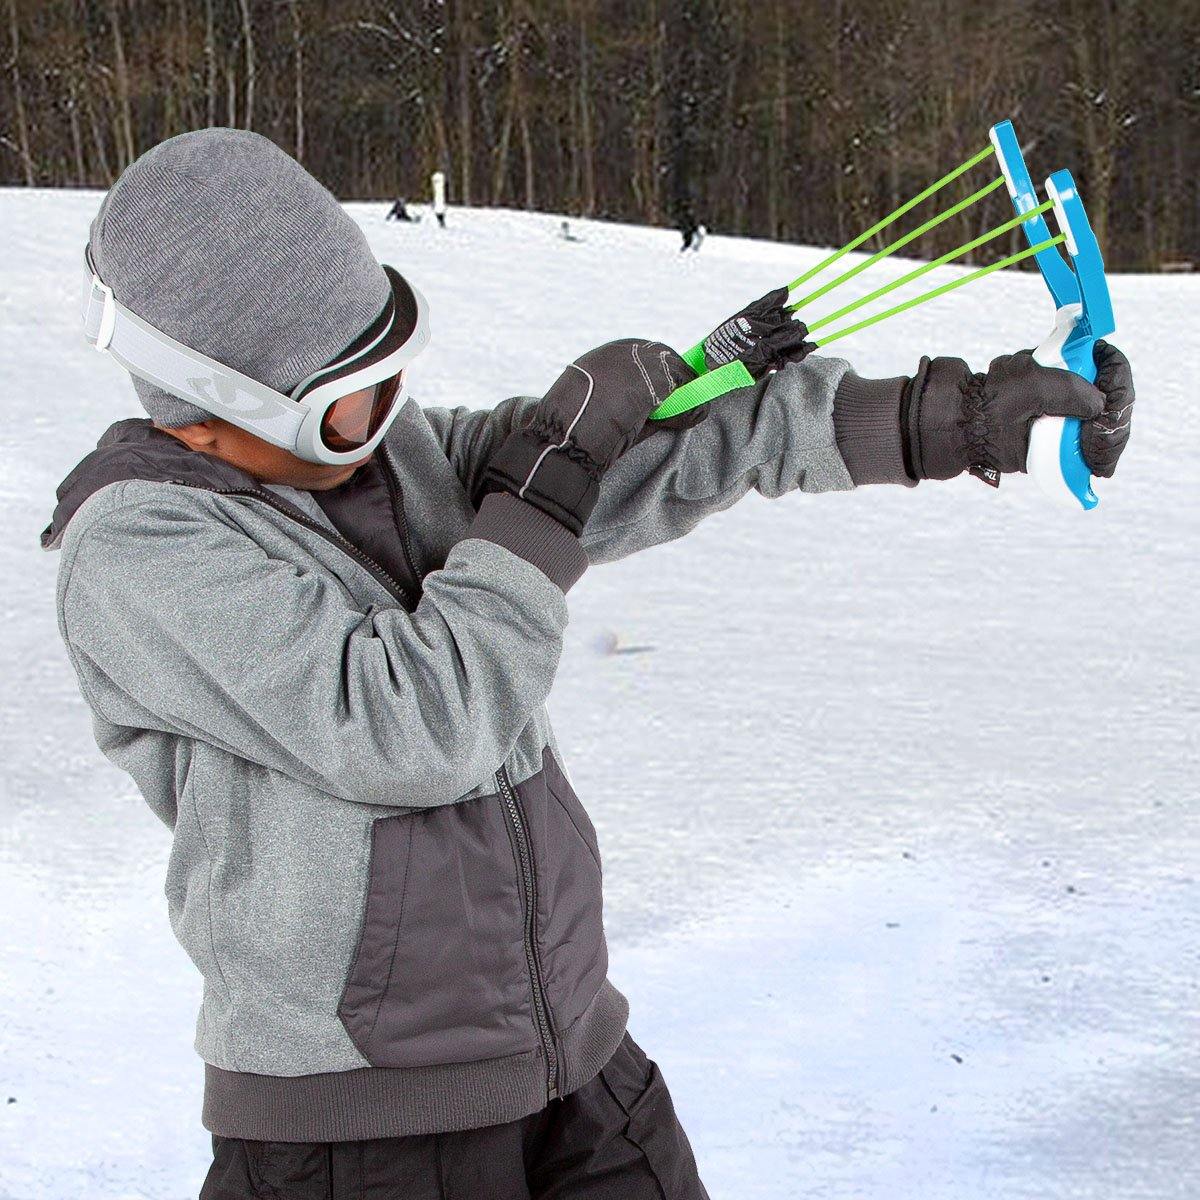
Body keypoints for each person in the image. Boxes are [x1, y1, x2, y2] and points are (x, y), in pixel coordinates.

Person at [43, 129, 1135, 1199]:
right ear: (220, 397)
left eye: (389, 374)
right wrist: (541, 495)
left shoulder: (391, 453)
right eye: (345, 404)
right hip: (362, 1132)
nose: (382, 422)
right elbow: (412, 724)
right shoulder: (141, 549)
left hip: (570, 1058)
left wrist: (960, 420)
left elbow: (638, 462)